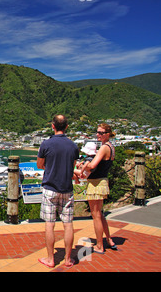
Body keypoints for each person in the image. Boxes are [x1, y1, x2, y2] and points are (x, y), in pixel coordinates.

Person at [36, 115, 79, 268]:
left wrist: (51, 166)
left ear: (52, 126)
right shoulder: (73, 146)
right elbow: (72, 166)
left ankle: (50, 258)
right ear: (66, 127)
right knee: (68, 224)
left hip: (50, 188)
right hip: (67, 188)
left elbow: (40, 165)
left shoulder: (46, 144)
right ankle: (67, 259)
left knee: (49, 224)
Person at [82, 123, 117, 253]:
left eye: (101, 133)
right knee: (100, 215)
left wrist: (83, 166)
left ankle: (99, 245)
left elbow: (92, 166)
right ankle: (108, 239)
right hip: (103, 181)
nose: (98, 135)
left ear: (108, 134)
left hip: (96, 183)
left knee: (96, 215)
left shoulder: (103, 148)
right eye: (97, 132)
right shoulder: (111, 147)